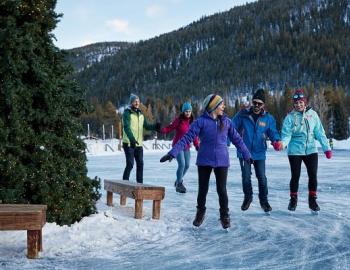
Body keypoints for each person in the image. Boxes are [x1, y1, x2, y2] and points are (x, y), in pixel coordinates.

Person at [160, 94, 251, 229]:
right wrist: (173, 153)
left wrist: (247, 155)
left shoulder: (226, 122)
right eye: (221, 104)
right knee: (203, 189)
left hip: (221, 160)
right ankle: (200, 212)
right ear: (212, 106)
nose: (223, 107)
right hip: (204, 160)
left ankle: (224, 215)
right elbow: (186, 138)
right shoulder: (200, 122)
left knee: (222, 189)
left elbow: (237, 139)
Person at [277, 89, 332, 212]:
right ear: (294, 104)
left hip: (311, 150)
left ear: (305, 102)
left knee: (313, 175)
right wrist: (282, 144)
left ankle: (312, 201)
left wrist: (326, 148)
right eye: (296, 103)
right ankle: (293, 199)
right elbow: (286, 135)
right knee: (295, 176)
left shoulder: (313, 115)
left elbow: (320, 132)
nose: (298, 105)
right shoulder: (290, 118)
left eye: (301, 102)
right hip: (295, 151)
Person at [232, 88, 281, 213]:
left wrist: (276, 141)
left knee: (262, 178)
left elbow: (273, 132)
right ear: (252, 102)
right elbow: (231, 127)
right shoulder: (242, 114)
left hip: (259, 152)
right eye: (255, 102)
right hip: (244, 152)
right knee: (246, 177)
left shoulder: (268, 118)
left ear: (263, 104)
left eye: (260, 103)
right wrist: (230, 141)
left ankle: (264, 201)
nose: (257, 106)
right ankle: (248, 198)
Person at [160, 102, 200, 193]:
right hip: (177, 146)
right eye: (186, 111)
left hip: (186, 147)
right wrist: (162, 130)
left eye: (189, 111)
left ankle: (178, 180)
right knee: (181, 164)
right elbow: (169, 128)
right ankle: (179, 184)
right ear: (183, 112)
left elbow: (194, 136)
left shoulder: (192, 122)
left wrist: (197, 145)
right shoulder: (179, 120)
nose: (188, 113)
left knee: (187, 165)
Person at [122, 93, 161, 183]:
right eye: (135, 101)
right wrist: (131, 139)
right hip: (129, 143)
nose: (137, 103)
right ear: (131, 102)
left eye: (138, 101)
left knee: (140, 164)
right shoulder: (127, 113)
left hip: (138, 144)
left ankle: (140, 185)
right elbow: (126, 127)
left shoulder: (140, 114)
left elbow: (146, 126)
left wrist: (156, 126)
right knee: (130, 164)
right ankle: (124, 184)